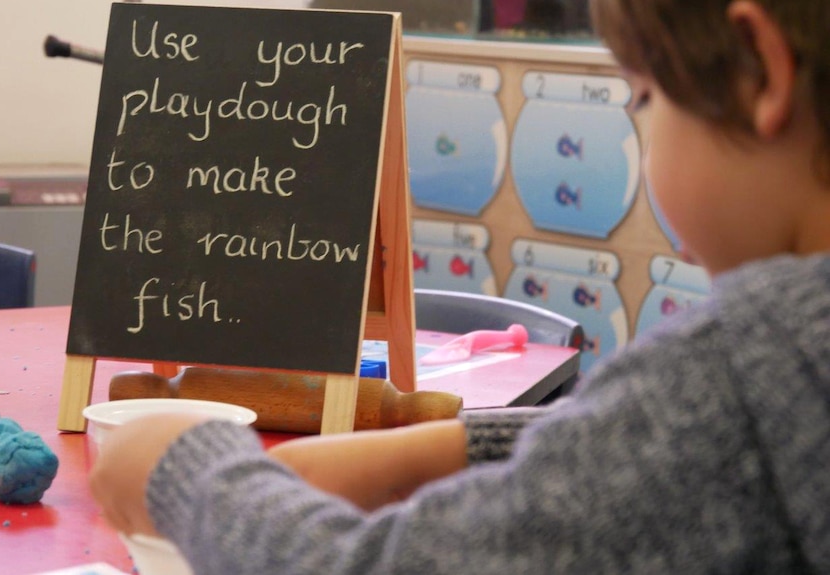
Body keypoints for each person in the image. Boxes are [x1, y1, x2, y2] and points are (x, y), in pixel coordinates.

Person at [89, 0, 830, 572]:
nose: (642, 130)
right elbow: (661, 457)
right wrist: (451, 447)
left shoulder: (747, 363)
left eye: (643, 98)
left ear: (758, 71)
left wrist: (188, 469)